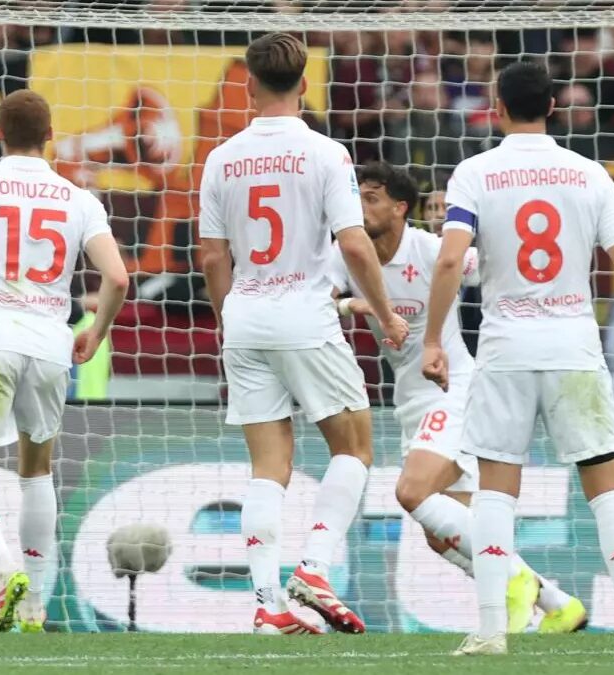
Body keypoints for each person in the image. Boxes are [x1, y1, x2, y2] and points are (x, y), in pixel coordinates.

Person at [421, 61, 614, 656]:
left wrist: (432, 340)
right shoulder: (589, 173)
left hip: (505, 349)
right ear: (554, 107)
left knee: (495, 493)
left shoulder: (474, 172)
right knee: (607, 489)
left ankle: (491, 631)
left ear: (498, 108)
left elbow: (451, 260)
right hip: (573, 348)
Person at [199, 32, 408, 636]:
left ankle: (268, 605)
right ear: (305, 84)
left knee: (268, 466)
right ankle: (314, 567)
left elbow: (212, 256)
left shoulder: (221, 157)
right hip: (305, 317)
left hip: (245, 318)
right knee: (355, 448)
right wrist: (386, 313)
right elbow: (354, 243)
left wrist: (228, 319)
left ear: (249, 85)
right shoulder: (326, 153)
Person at [330, 161, 586, 635]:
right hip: (410, 400)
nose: (360, 207)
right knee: (443, 534)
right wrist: (354, 304)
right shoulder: (347, 252)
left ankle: (513, 582)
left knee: (412, 492)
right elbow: (315, 299)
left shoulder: (429, 250)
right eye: (357, 197)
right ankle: (557, 603)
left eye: (371, 198)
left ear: (400, 207)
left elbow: (488, 267)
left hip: (453, 390)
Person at [0, 90, 129, 633]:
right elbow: (117, 277)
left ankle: (6, 569)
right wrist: (94, 333)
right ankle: (35, 606)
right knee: (36, 472)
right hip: (49, 347)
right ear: (49, 135)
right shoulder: (79, 199)